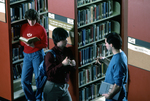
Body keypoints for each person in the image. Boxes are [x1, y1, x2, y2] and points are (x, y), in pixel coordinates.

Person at [20, 9, 48, 101]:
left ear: (36, 19)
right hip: (27, 55)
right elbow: (21, 41)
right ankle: (30, 99)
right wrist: (26, 43)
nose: (31, 22)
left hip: (37, 54)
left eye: (33, 20)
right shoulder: (23, 27)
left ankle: (39, 98)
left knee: (38, 78)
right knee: (24, 80)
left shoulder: (41, 28)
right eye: (29, 20)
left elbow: (45, 44)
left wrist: (34, 45)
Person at [43, 27, 76, 101]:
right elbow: (49, 72)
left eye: (66, 38)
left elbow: (72, 70)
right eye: (64, 39)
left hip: (64, 86)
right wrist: (62, 64)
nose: (66, 40)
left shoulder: (67, 51)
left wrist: (73, 65)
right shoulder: (50, 54)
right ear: (58, 40)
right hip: (52, 87)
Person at [96, 32, 128, 101]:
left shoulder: (118, 61)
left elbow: (118, 85)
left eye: (106, 43)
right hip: (112, 93)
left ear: (111, 45)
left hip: (114, 97)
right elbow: (114, 67)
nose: (105, 45)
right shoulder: (120, 54)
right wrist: (104, 60)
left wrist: (110, 95)